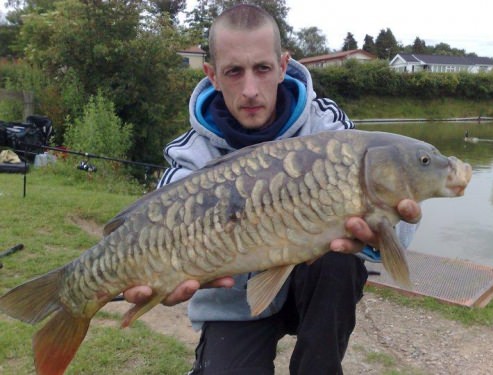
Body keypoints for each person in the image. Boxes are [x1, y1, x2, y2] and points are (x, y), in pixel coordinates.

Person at [125, 4, 421, 374]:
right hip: (233, 303)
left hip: (315, 293)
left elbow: (399, 232)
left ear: (282, 66)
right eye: (234, 71)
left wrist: (384, 232)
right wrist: (146, 273)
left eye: (262, 69)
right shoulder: (192, 157)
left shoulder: (330, 132)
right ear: (212, 75)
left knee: (338, 257)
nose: (250, 89)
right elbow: (154, 231)